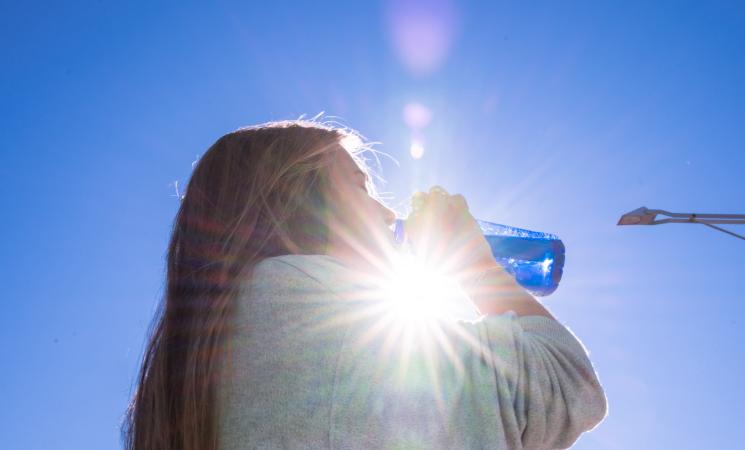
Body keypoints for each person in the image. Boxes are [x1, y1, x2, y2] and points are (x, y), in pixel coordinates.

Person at [122, 120, 608, 450]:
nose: (388, 212)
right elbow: (565, 386)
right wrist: (473, 264)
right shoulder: (302, 297)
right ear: (297, 197)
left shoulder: (226, 338)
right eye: (359, 185)